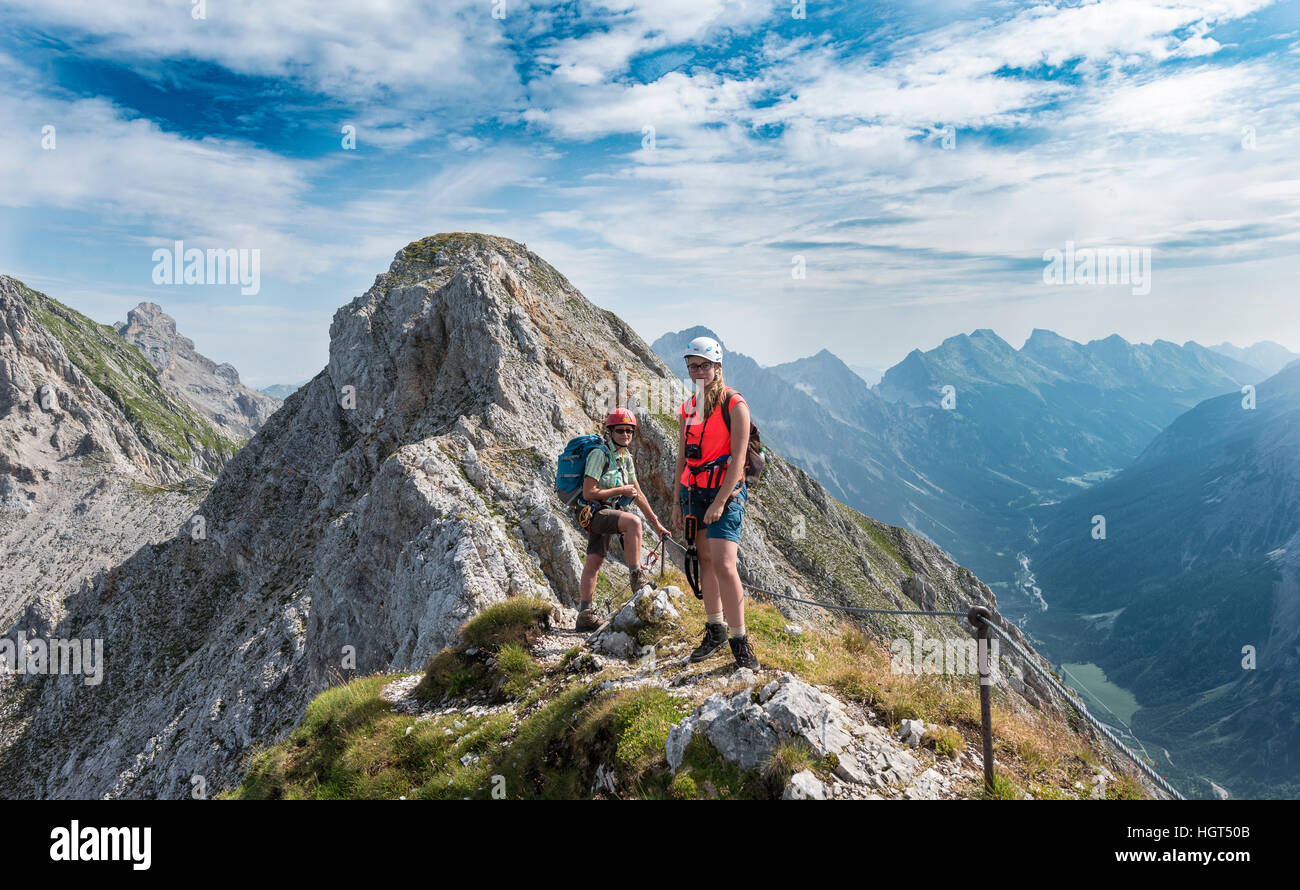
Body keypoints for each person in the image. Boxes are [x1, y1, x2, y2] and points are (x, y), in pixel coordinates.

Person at [671, 336, 758, 669]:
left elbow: (738, 459)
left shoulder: (735, 405)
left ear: (717, 367)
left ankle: (740, 642)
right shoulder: (688, 408)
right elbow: (681, 458)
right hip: (694, 493)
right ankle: (715, 628)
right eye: (692, 366)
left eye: (704, 365)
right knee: (704, 560)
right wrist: (678, 502)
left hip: (726, 493)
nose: (697, 372)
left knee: (723, 563)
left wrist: (721, 501)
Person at [575, 408, 670, 632]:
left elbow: (638, 494)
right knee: (633, 523)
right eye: (620, 430)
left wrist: (657, 526)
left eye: (629, 431)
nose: (625, 435)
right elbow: (589, 492)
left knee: (594, 561)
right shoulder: (599, 454)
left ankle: (584, 615)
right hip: (595, 512)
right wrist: (620, 490)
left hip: (609, 512)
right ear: (610, 431)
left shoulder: (626, 458)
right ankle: (637, 577)